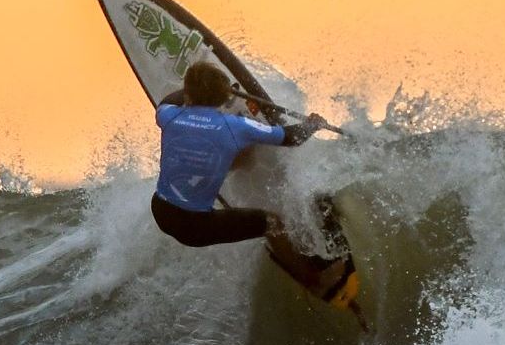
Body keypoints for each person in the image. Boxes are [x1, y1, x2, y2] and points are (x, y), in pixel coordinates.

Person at [150, 61, 356, 309]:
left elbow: (165, 101)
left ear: (190, 95)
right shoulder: (236, 126)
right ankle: (313, 278)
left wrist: (189, 91)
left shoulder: (170, 115)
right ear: (222, 97)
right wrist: (312, 124)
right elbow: (289, 137)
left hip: (161, 210)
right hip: (195, 227)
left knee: (235, 156)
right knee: (271, 223)